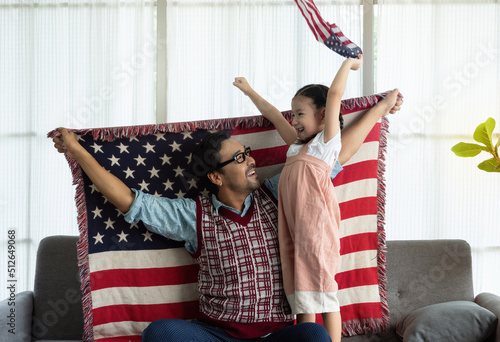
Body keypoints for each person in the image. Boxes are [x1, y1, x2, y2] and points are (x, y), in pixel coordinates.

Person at [53, 128, 331, 342]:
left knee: (314, 335)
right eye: (240, 158)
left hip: (276, 335)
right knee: (160, 333)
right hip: (218, 335)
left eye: (246, 152)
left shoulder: (277, 192)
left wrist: (376, 109)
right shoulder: (193, 214)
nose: (251, 160)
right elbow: (129, 200)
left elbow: (326, 158)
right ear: (216, 177)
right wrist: (78, 152)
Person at [233, 55, 401, 342]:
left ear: (323, 116)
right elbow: (274, 114)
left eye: (300, 114)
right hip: (293, 229)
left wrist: (349, 65)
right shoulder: (297, 147)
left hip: (317, 229)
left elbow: (335, 94)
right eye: (294, 114)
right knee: (303, 297)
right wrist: (249, 91)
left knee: (324, 294)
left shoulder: (325, 144)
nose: (294, 120)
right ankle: (306, 337)